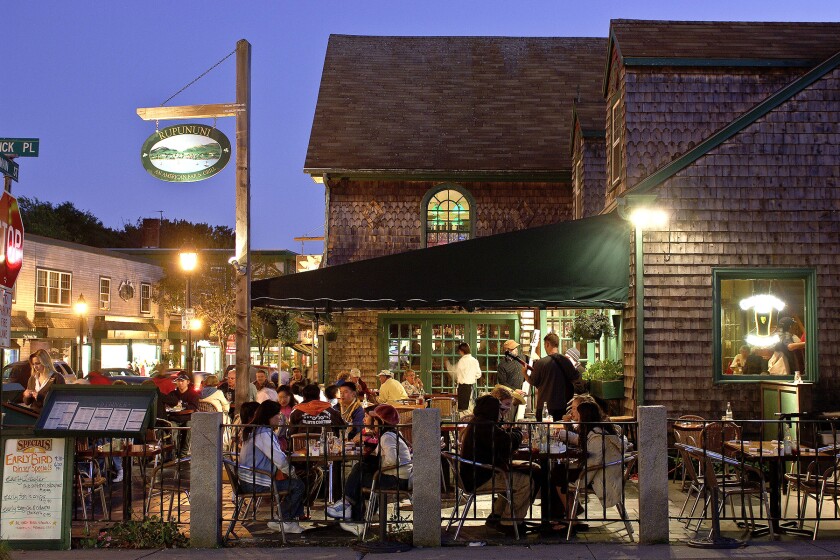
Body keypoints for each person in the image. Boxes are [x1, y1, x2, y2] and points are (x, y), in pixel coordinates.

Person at [327, 404, 413, 535]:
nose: (372, 421)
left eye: (375, 419)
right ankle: (353, 515)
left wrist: (378, 465)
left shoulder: (387, 437)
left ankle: (349, 511)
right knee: (360, 470)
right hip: (398, 477)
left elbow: (393, 460)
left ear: (381, 422)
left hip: (396, 479)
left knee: (358, 474)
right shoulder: (391, 434)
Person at [459, 395, 537, 535]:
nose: (500, 412)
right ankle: (509, 522)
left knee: (512, 478)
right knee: (526, 482)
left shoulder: (477, 423)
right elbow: (507, 443)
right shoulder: (485, 426)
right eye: (498, 409)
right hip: (481, 477)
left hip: (474, 475)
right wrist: (519, 433)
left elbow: (501, 440)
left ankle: (497, 516)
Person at [238, 400, 307, 534]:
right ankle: (284, 519)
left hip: (250, 479)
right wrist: (292, 472)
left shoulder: (256, 430)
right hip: (256, 482)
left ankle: (288, 518)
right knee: (298, 485)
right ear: (268, 416)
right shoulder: (263, 433)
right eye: (277, 415)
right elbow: (279, 460)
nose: (279, 417)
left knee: (298, 481)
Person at [527, 333, 585, 421]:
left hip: (543, 406)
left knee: (543, 431)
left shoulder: (541, 363)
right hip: (561, 405)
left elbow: (533, 382)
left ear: (547, 344)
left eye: (544, 345)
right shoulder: (566, 361)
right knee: (559, 431)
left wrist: (524, 373)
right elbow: (575, 376)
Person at [445, 342, 483, 411]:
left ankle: (464, 421)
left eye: (459, 351)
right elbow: (478, 374)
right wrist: (471, 377)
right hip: (471, 386)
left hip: (463, 386)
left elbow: (455, 373)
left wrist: (447, 364)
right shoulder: (474, 360)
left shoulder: (462, 361)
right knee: (471, 407)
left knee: (463, 409)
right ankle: (470, 421)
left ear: (462, 351)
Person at [496, 340, 527, 418]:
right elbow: (502, 382)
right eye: (513, 348)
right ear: (507, 351)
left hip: (524, 393)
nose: (516, 349)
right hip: (511, 397)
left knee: (523, 418)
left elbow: (532, 362)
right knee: (511, 418)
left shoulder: (522, 358)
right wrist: (514, 390)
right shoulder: (502, 365)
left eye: (516, 347)